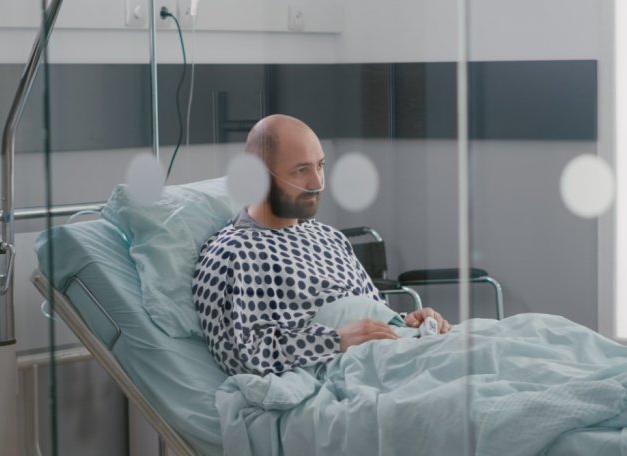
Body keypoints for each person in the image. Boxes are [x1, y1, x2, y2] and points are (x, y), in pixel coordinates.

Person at [193, 114, 450, 376]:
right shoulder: (232, 253)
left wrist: (406, 320)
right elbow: (238, 356)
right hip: (348, 369)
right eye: (301, 170)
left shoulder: (330, 238)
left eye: (320, 165)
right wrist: (334, 340)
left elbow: (370, 316)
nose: (316, 183)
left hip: (397, 346)